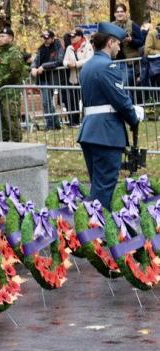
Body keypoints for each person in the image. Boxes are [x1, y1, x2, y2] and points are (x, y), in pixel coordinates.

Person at [78, 22, 144, 210]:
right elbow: (121, 101)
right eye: (118, 44)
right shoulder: (108, 66)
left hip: (90, 131)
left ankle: (89, 229)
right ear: (110, 42)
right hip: (106, 134)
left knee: (97, 186)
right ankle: (97, 234)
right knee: (104, 189)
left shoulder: (88, 66)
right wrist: (133, 117)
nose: (119, 48)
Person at [0, 27, 26, 141]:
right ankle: (4, 144)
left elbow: (15, 73)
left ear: (11, 38)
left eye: (3, 36)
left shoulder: (15, 53)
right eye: (0, 36)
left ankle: (17, 145)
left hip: (10, 94)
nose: (0, 38)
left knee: (11, 120)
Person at [31, 30, 64, 129]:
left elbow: (59, 61)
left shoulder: (58, 47)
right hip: (42, 78)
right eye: (44, 37)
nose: (45, 40)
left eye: (47, 38)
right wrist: (33, 67)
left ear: (52, 38)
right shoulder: (41, 49)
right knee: (47, 102)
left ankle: (51, 124)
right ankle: (55, 124)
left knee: (47, 102)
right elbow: (35, 60)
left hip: (52, 77)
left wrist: (44, 66)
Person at [63, 28, 94, 126]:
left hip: (85, 78)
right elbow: (64, 61)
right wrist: (68, 64)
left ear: (80, 36)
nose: (71, 38)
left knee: (86, 100)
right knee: (73, 100)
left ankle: (87, 120)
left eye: (74, 36)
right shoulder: (69, 48)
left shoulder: (87, 45)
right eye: (70, 37)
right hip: (74, 78)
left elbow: (89, 59)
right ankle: (74, 121)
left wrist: (76, 64)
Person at [113, 4, 144, 86]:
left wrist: (131, 40)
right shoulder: (111, 26)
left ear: (125, 13)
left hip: (129, 63)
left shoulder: (132, 24)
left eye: (122, 11)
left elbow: (141, 41)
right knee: (119, 87)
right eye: (117, 12)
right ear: (114, 14)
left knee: (123, 86)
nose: (119, 14)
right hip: (114, 62)